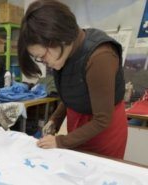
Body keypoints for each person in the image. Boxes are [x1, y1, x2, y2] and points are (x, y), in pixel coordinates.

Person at [18, 0, 128, 159]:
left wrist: (60, 141)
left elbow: (103, 120)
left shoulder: (100, 57)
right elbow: (73, 92)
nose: (45, 62)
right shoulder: (64, 53)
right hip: (79, 126)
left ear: (59, 38)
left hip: (103, 131)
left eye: (43, 56)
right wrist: (55, 120)